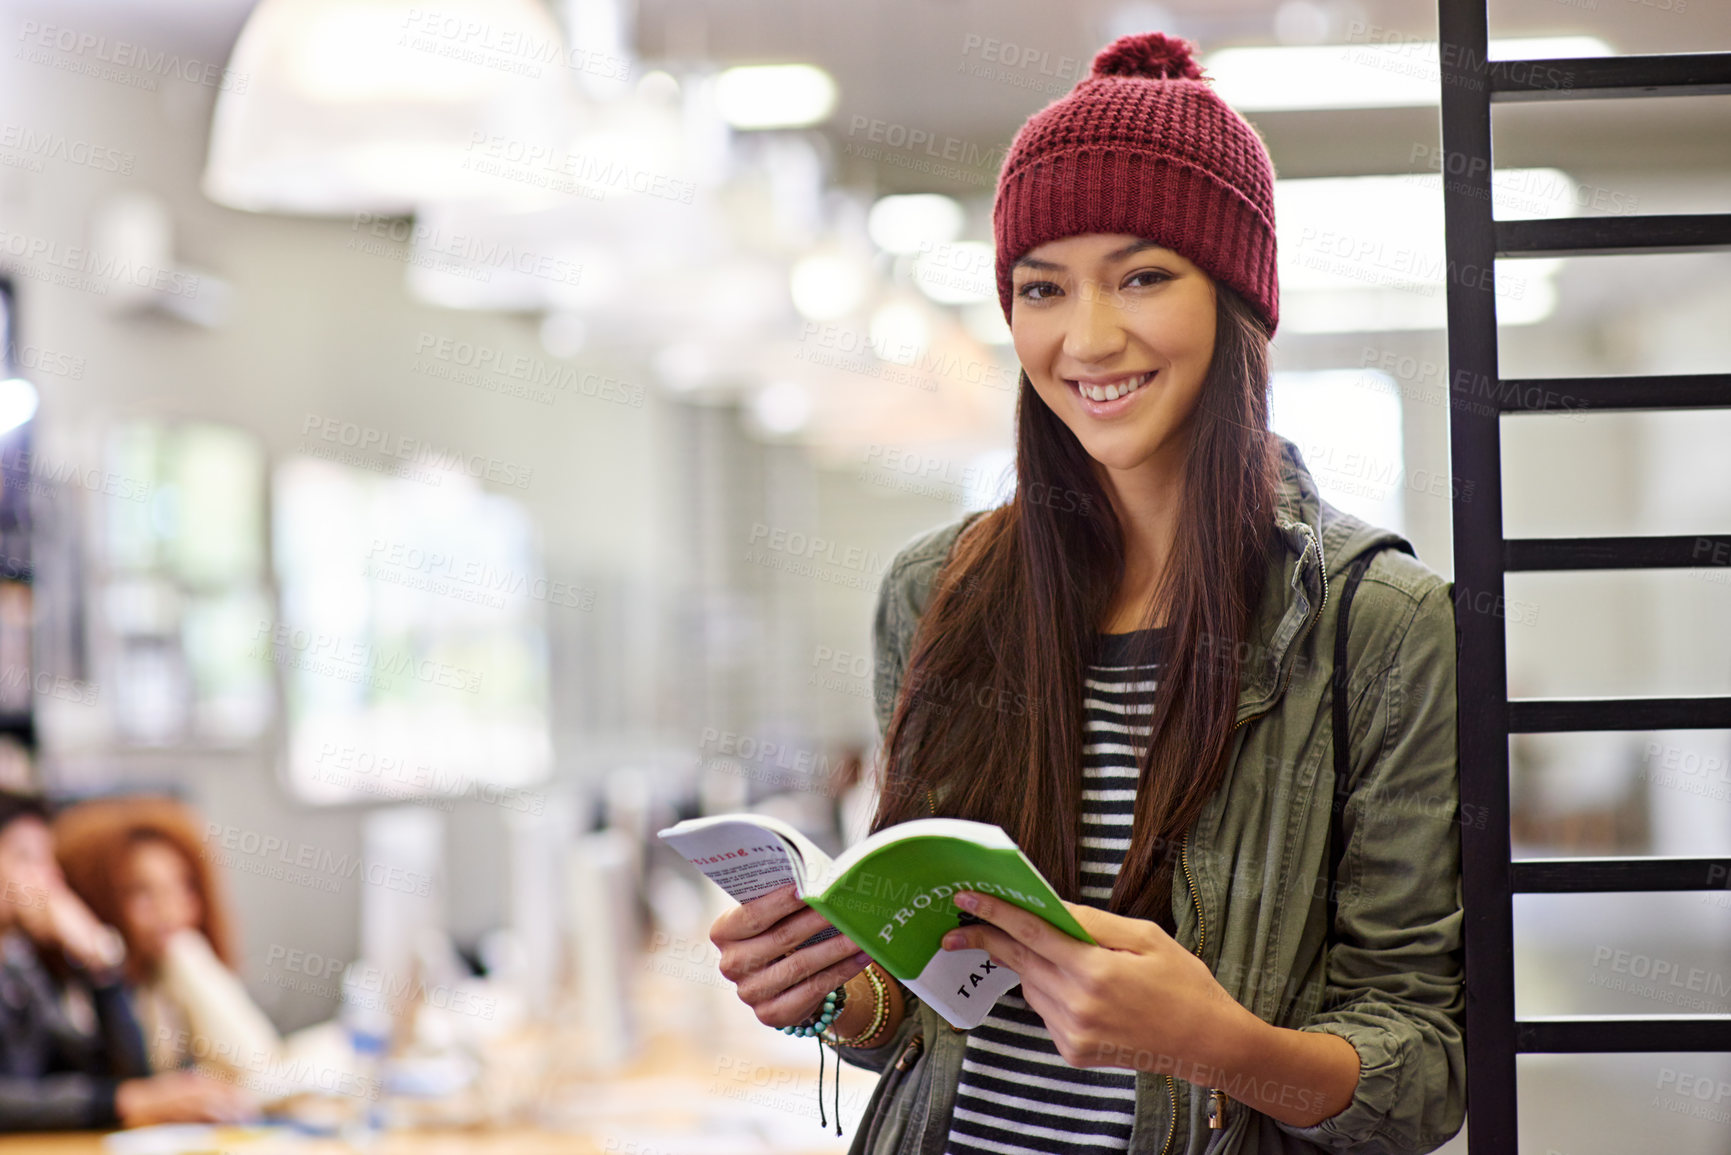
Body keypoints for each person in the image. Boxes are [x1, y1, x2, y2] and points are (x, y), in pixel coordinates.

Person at [707, 30, 1465, 1155]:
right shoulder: (939, 592)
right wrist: (830, 990)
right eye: (1042, 288)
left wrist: (1214, 1043)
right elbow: (922, 1007)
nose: (1087, 338)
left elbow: (1424, 1067)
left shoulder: (1380, 625)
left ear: (1237, 297)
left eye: (1143, 276)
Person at [0, 790, 256, 1130]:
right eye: (26, 858)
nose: (50, 880)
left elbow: (123, 1075)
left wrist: (99, 961)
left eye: (49, 861)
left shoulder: (19, 971)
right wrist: (121, 1102)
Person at [53, 796, 282, 1082]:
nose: (169, 910)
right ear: (96, 898)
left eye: (183, 888)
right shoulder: (75, 996)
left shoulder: (170, 971)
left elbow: (255, 1062)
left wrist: (189, 959)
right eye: (141, 893)